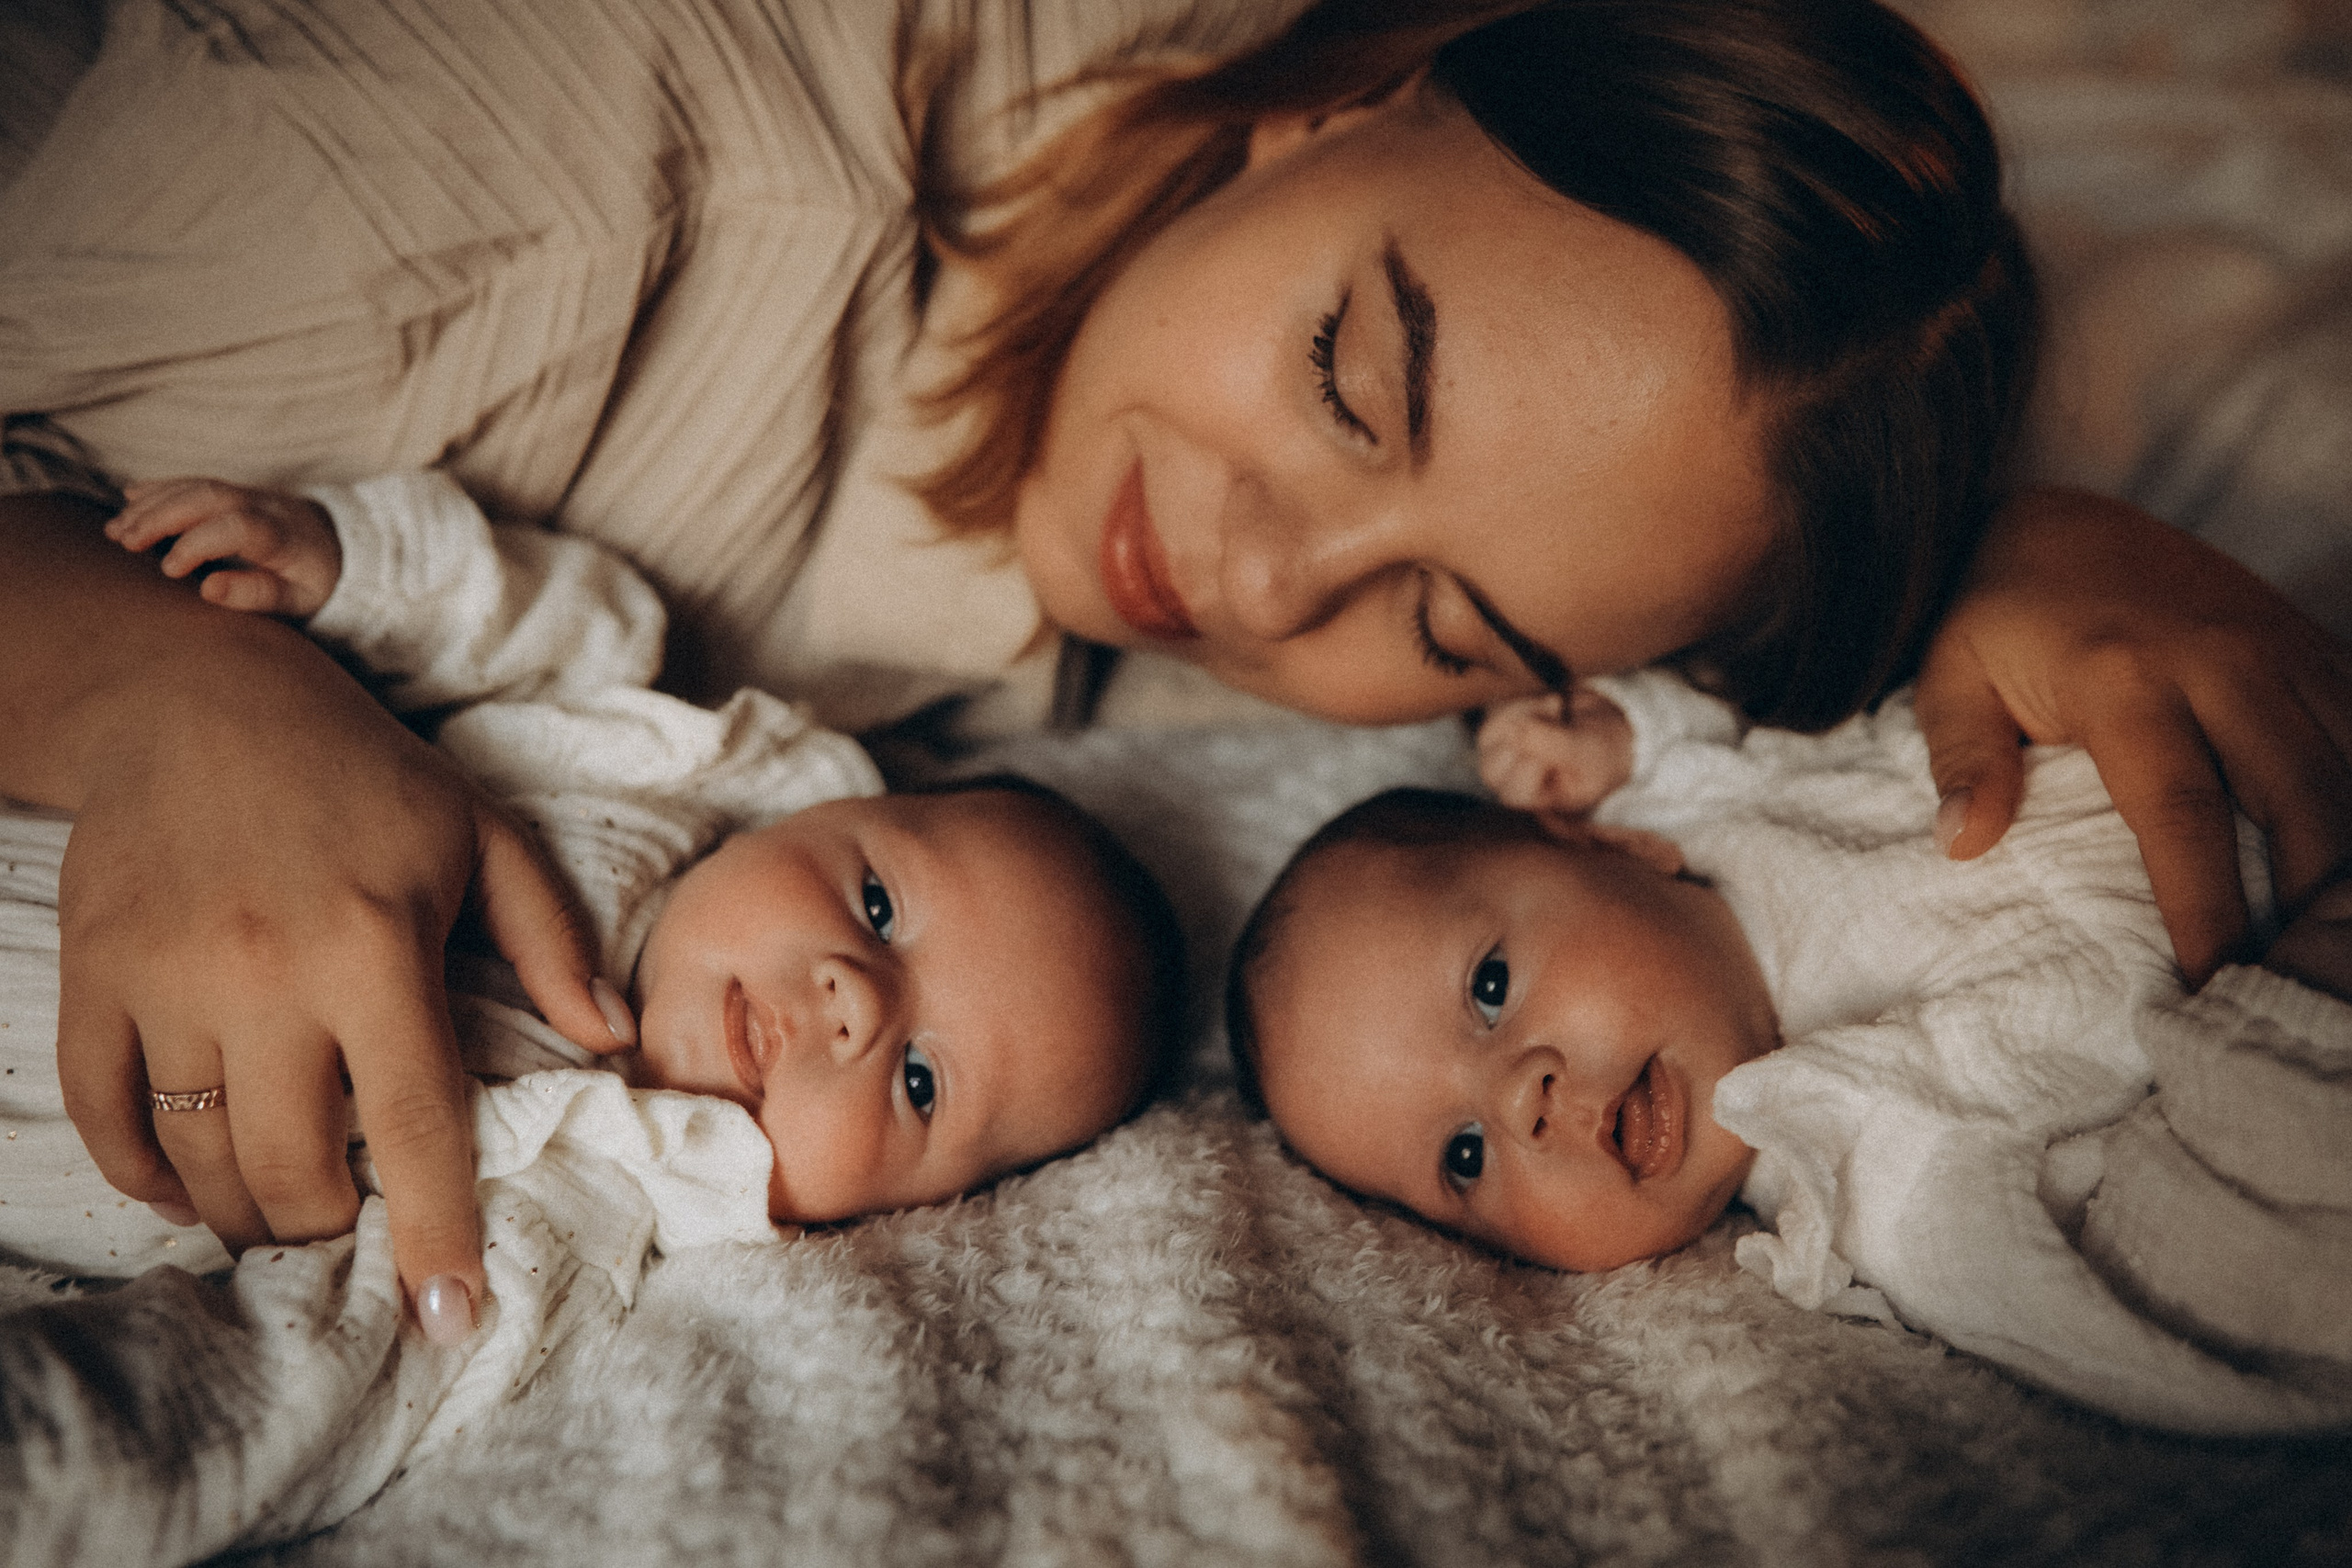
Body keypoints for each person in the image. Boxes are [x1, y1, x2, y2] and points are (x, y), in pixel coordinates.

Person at [3, 0, 2346, 1334]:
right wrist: (158, 692)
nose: (1248, 573)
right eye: (1349, 373)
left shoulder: (1291, 646)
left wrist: (2017, 553)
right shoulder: (564, 186)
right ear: (1343, 91)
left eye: (1440, 620)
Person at [0, 469, 1183, 1333]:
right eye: (877, 902)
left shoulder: (596, 1220)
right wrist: (342, 565)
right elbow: (505, 607)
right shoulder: (627, 751)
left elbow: (334, 1353)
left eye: (921, 1082)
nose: (853, 1003)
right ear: (802, 810)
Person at [1223, 682, 2352, 1428]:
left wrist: (1621, 731)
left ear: (1614, 841)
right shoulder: (1873, 1179)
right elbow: (2179, 1307)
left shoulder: (1725, 787)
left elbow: (1772, 672)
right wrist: (2290, 1024)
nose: (1522, 1100)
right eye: (1462, 1159)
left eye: (1487, 987)